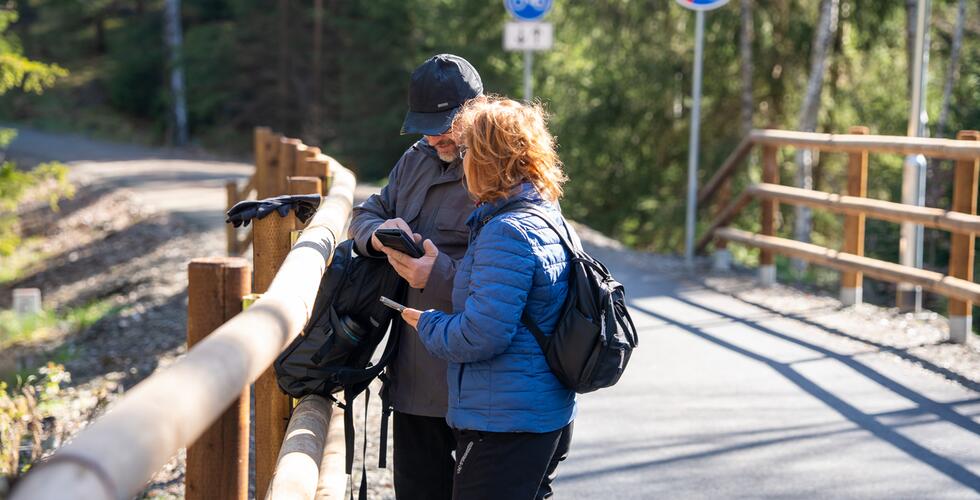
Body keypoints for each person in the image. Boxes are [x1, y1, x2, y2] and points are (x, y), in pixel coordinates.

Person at [400, 96, 576, 500]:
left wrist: (427, 323)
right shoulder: (548, 213)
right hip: (543, 413)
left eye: (466, 152)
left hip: (505, 422)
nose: (461, 164)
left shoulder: (507, 232)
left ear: (485, 158)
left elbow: (482, 334)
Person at [348, 54, 481, 500]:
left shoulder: (507, 169)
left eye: (442, 124)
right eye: (423, 123)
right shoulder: (416, 158)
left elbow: (519, 274)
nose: (431, 135)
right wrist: (381, 237)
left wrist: (437, 273)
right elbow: (368, 212)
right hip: (413, 377)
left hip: (477, 385)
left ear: (476, 112)